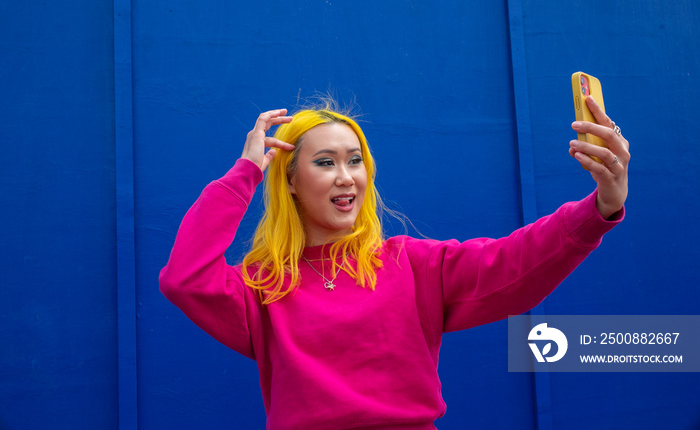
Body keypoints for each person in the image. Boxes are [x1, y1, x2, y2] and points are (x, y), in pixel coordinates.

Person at [160, 96, 629, 429]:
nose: (346, 177)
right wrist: (243, 175)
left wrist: (601, 206)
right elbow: (186, 278)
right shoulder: (264, 286)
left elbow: (514, 263)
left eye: (355, 160)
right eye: (325, 163)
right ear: (291, 182)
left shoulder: (411, 264)